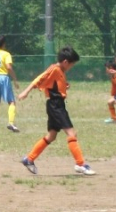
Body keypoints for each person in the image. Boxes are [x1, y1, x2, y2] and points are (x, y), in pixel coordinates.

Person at [16, 46, 95, 176]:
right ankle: (80, 164)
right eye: (72, 64)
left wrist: (64, 85)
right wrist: (26, 91)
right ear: (65, 62)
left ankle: (29, 159)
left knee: (51, 136)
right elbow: (39, 79)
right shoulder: (54, 69)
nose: (72, 67)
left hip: (55, 104)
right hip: (56, 105)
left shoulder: (60, 70)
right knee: (71, 133)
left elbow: (54, 84)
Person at [104, 58, 116, 124]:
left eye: (106, 68)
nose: (106, 70)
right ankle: (114, 119)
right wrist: (114, 95)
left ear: (111, 68)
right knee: (110, 102)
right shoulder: (112, 76)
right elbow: (115, 87)